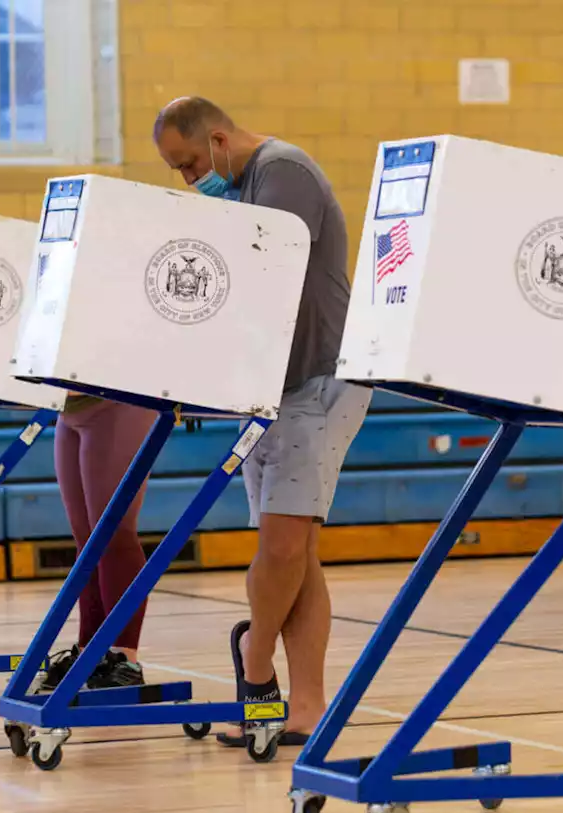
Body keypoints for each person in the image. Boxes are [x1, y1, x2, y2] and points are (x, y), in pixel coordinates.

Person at [153, 96, 373, 748]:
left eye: (191, 162)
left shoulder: (283, 172)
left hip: (319, 379)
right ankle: (307, 703)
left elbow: (254, 275)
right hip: (272, 387)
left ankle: (255, 668)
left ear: (217, 137)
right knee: (298, 552)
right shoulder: (240, 186)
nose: (191, 179)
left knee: (281, 546)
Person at [38, 391, 158, 691]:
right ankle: (89, 653)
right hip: (70, 406)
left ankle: (124, 658)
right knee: (87, 540)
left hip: (118, 399)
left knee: (113, 532)